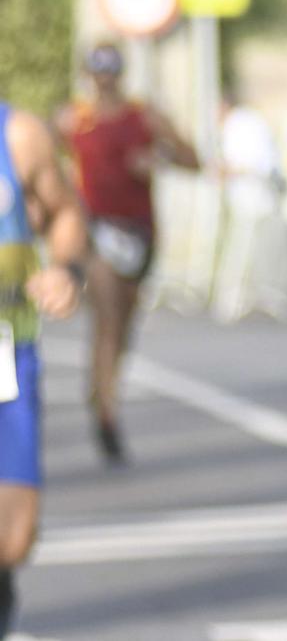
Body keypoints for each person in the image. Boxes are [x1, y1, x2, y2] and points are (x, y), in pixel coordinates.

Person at [57, 42, 198, 465]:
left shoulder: (144, 116)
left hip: (139, 232)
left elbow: (192, 159)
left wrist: (157, 156)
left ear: (120, 74)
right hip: (97, 231)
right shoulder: (73, 120)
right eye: (97, 73)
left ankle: (104, 387)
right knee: (108, 318)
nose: (104, 81)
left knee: (125, 326)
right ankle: (106, 413)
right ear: (87, 75)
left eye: (111, 72)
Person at [0, 101, 90, 636]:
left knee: (13, 536)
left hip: (5, 351)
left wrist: (66, 270)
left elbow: (66, 212)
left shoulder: (18, 135)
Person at [212, 85, 284, 322]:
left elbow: (246, 163)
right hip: (253, 196)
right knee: (251, 251)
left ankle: (234, 301)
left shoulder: (239, 125)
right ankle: (249, 298)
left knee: (242, 253)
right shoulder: (248, 122)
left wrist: (224, 171)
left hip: (252, 196)